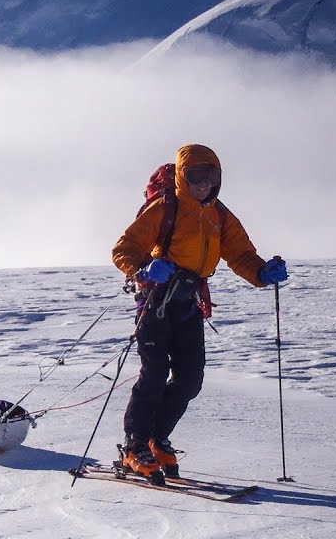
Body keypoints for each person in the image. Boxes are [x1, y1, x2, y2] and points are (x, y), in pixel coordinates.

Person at [111, 144, 288, 482]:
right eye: (196, 176)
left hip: (189, 303)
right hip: (156, 302)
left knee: (190, 379)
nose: (205, 184)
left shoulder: (220, 216)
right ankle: (134, 447)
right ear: (182, 177)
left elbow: (241, 254)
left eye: (211, 176)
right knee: (154, 374)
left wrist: (262, 272)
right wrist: (143, 270)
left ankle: (156, 439)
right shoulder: (165, 209)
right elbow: (124, 249)